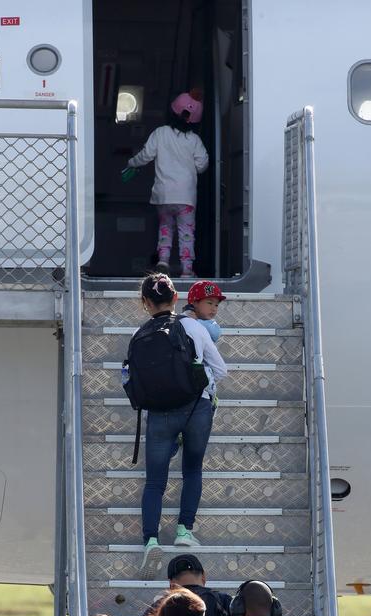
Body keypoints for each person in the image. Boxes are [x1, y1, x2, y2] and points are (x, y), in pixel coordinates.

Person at [136, 274, 227, 576]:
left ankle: (150, 540)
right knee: (192, 469)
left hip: (159, 414)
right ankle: (184, 531)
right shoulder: (192, 327)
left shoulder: (141, 334)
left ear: (145, 303)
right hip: (195, 409)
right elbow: (221, 370)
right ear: (177, 299)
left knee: (154, 483)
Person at [125, 91, 208, 278]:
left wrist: (131, 163)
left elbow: (146, 155)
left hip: (163, 195)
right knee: (186, 233)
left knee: (165, 228)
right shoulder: (194, 140)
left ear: (172, 112)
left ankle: (163, 261)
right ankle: (186, 269)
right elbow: (202, 164)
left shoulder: (160, 133)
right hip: (185, 197)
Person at [181, 280, 226, 344]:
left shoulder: (211, 323)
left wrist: (195, 321)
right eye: (210, 303)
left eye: (216, 305)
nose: (214, 309)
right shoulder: (186, 317)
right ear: (195, 303)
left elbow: (215, 334)